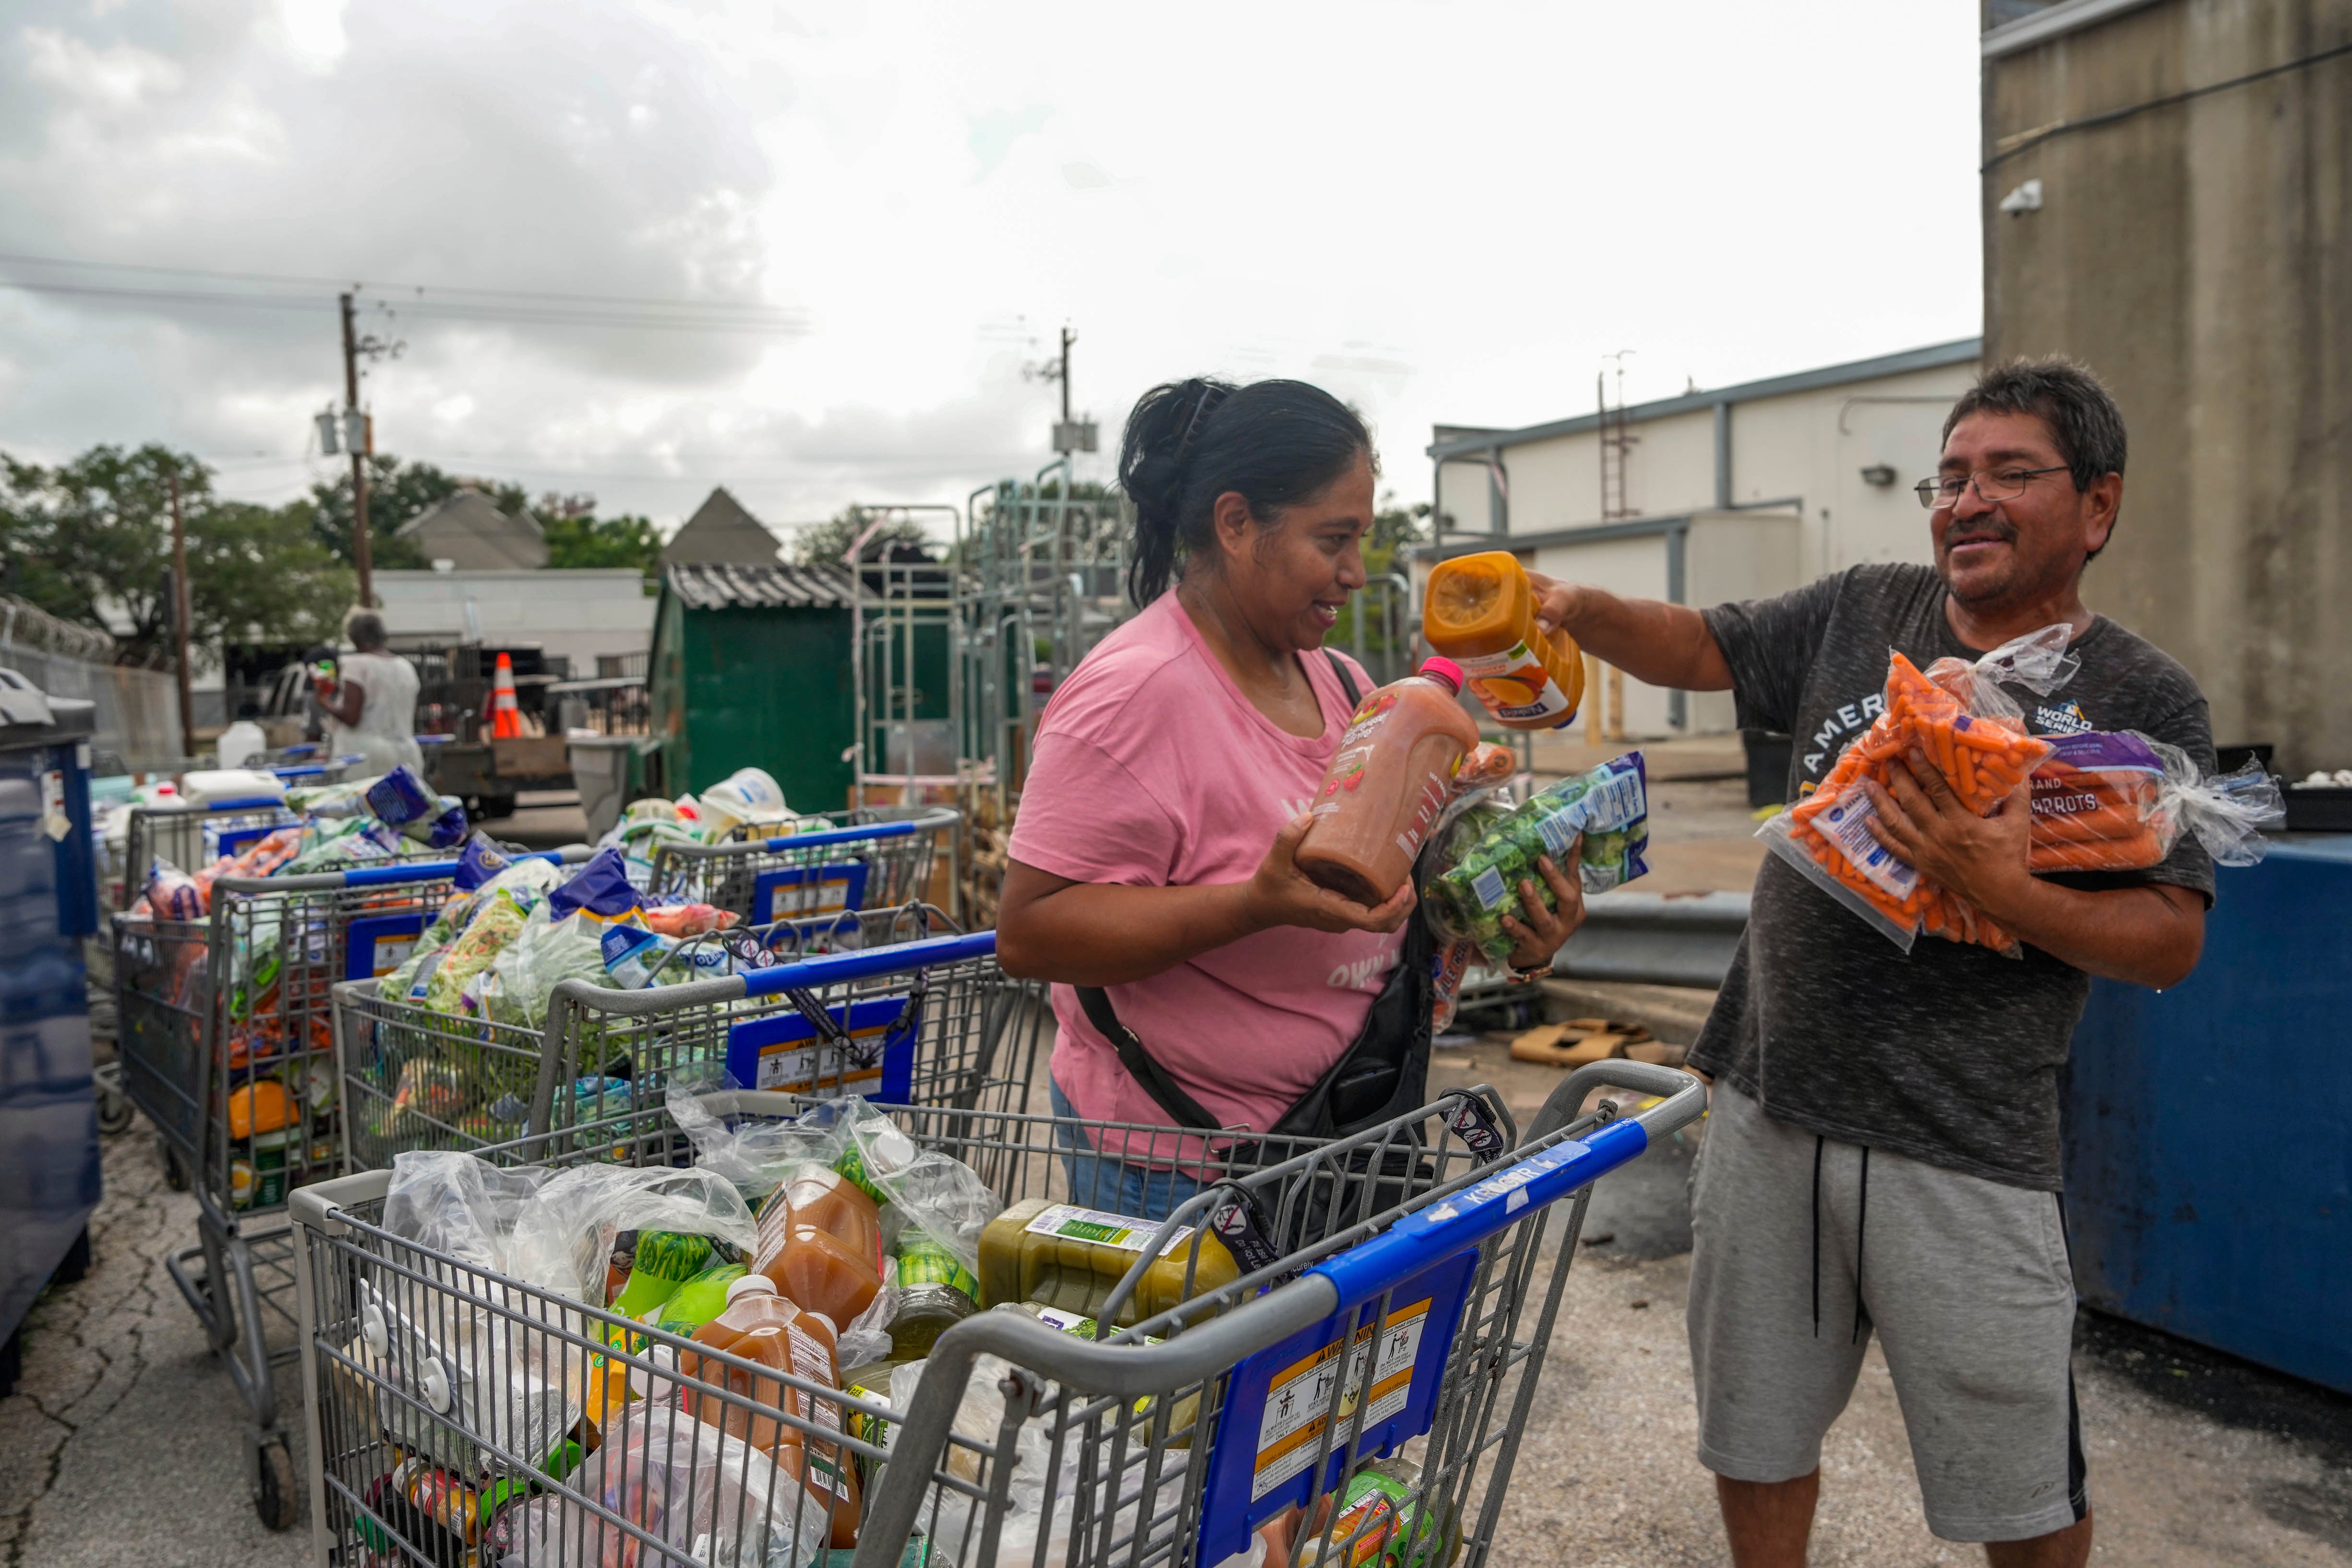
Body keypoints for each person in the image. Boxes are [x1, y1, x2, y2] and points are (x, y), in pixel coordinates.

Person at [1530, 358, 2212, 1568]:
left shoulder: (2141, 696)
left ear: (2097, 506)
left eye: (2009, 473)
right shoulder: (1864, 609)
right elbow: (1700, 643)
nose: (1967, 500)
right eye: (1950, 477)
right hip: (1770, 1099)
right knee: (1755, 1426)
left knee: (2017, 1479)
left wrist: (2000, 885)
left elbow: (2171, 934)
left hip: (1966, 1137)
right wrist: (1579, 607)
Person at [995, 378, 1586, 1219]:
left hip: (1350, 1132)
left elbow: (1385, 891)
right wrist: (1253, 904)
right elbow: (1030, 931)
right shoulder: (1134, 695)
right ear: (1236, 524)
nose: (1356, 573)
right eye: (1333, 539)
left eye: (1361, 540)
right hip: (1186, 1170)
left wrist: (1507, 923)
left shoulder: (1341, 681)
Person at [316, 609, 425, 779]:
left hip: (365, 758)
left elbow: (351, 717)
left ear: (354, 638)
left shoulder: (357, 665)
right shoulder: (405, 666)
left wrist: (323, 701)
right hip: (407, 754)